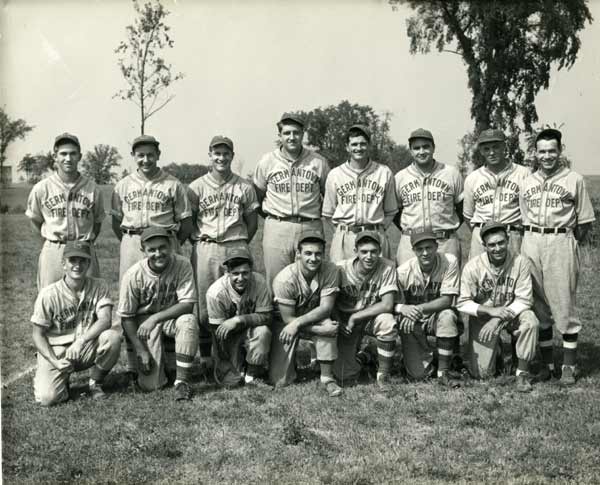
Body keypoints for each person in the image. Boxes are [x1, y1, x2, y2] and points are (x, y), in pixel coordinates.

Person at [519, 128, 596, 385]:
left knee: (563, 303)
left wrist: (569, 241)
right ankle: (547, 364)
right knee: (537, 304)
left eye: (552, 150)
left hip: (560, 239)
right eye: (542, 151)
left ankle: (569, 366)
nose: (547, 156)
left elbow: (584, 222)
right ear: (535, 153)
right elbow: (522, 216)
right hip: (531, 239)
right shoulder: (527, 181)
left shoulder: (574, 179)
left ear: (560, 151)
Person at [188, 135, 259, 367]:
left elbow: (252, 222)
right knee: (205, 303)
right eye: (216, 153)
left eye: (225, 153)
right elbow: (189, 223)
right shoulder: (196, 187)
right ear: (210, 155)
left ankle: (239, 354)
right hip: (206, 246)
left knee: (240, 299)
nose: (221, 157)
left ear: (232, 156)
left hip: (235, 243)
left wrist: (238, 242)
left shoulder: (244, 186)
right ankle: (207, 357)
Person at [31, 241, 121, 406]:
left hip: (85, 346)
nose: (77, 265)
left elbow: (105, 320)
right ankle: (58, 378)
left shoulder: (99, 286)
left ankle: (95, 382)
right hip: (57, 351)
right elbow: (37, 334)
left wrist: (81, 341)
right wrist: (54, 361)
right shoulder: (48, 294)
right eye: (72, 260)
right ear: (63, 264)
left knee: (112, 338)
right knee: (48, 399)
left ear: (88, 263)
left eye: (82, 260)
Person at [118, 227, 199, 401]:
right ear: (143, 251)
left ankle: (182, 381)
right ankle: (165, 362)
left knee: (188, 321)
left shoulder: (182, 264)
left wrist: (155, 318)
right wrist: (141, 351)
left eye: (162, 247)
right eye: (152, 250)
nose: (158, 253)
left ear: (170, 246)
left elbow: (187, 304)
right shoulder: (133, 275)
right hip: (143, 325)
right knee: (151, 385)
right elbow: (126, 317)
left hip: (169, 318)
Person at [457, 222, 539, 391]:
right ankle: (498, 350)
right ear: (484, 246)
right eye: (492, 245)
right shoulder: (473, 266)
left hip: (512, 313)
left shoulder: (520, 262)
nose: (497, 248)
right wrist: (491, 312)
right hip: (484, 317)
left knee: (530, 320)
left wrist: (497, 319)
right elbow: (462, 303)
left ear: (508, 240)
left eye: (501, 242)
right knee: (482, 373)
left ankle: (522, 373)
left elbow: (525, 300)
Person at [253, 113, 330, 287]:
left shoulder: (318, 162)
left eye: (296, 132)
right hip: (278, 226)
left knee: (312, 277)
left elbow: (329, 197)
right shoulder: (267, 161)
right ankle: (277, 315)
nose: (292, 137)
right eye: (287, 133)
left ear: (303, 134)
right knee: (277, 280)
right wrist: (274, 217)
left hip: (310, 225)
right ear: (279, 136)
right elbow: (257, 197)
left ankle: (313, 314)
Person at [26, 133, 105, 290]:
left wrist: (86, 242)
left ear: (79, 156)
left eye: (73, 153)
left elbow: (97, 222)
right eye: (63, 154)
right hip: (55, 249)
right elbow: (34, 220)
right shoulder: (42, 188)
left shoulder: (92, 188)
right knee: (50, 299)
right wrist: (49, 244)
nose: (68, 158)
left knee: (89, 299)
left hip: (83, 248)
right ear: (55, 156)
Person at [269, 230, 342, 397]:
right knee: (279, 380)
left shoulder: (330, 270)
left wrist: (308, 325)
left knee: (328, 324)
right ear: (298, 254)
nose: (313, 258)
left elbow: (326, 308)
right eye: (308, 253)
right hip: (285, 322)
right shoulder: (284, 278)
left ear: (324, 254)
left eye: (318, 254)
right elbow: (288, 319)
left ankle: (327, 377)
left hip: (316, 315)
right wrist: (315, 330)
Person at [111, 135, 193, 282]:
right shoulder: (123, 185)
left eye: (150, 155)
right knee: (131, 287)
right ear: (133, 156)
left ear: (158, 155)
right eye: (141, 155)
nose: (146, 160)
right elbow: (116, 223)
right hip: (133, 243)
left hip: (163, 241)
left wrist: (171, 243)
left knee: (166, 289)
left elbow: (186, 224)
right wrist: (130, 240)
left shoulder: (173, 184)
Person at [322, 124, 398, 262]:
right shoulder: (335, 174)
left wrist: (378, 230)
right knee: (343, 280)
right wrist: (341, 233)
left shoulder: (383, 172)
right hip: (345, 238)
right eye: (354, 144)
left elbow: (391, 211)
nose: (359, 148)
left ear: (369, 145)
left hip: (375, 236)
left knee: (379, 280)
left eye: (363, 144)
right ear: (347, 147)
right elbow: (328, 213)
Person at [333, 231, 398, 388]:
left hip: (369, 317)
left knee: (387, 321)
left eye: (374, 251)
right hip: (346, 324)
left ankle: (383, 374)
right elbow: (330, 302)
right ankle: (367, 355)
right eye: (364, 252)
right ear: (355, 251)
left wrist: (355, 317)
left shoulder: (387, 267)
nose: (369, 256)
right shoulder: (340, 269)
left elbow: (387, 304)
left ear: (379, 251)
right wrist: (339, 321)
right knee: (344, 375)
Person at [396, 231, 461, 385]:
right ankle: (431, 357)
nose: (425, 253)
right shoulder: (403, 271)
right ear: (413, 250)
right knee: (419, 375)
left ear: (437, 246)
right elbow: (390, 302)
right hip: (413, 321)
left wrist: (415, 309)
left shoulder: (449, 261)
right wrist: (403, 309)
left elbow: (447, 300)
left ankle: (443, 372)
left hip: (435, 316)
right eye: (420, 249)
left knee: (447, 315)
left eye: (429, 248)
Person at [394, 128, 464, 265]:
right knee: (409, 284)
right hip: (411, 243)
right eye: (416, 148)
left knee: (448, 284)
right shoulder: (400, 177)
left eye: (426, 147)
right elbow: (395, 212)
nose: (421, 151)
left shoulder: (451, 173)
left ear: (433, 148)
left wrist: (446, 227)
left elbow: (462, 209)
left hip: (445, 241)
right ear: (411, 151)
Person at [206, 247, 272, 387]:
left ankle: (252, 374)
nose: (240, 278)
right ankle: (238, 366)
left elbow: (267, 317)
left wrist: (238, 319)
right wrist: (223, 363)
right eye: (235, 273)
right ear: (227, 273)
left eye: (245, 273)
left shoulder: (259, 282)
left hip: (251, 332)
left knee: (263, 331)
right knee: (231, 382)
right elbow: (217, 334)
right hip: (228, 338)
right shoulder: (215, 292)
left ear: (251, 270)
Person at [463, 129, 530, 257]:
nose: (492, 152)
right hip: (481, 236)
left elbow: (528, 212)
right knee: (479, 275)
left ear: (504, 147)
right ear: (481, 151)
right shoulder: (473, 178)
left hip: (511, 235)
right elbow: (468, 215)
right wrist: (482, 230)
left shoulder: (523, 173)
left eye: (496, 147)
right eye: (486, 149)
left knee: (514, 275)